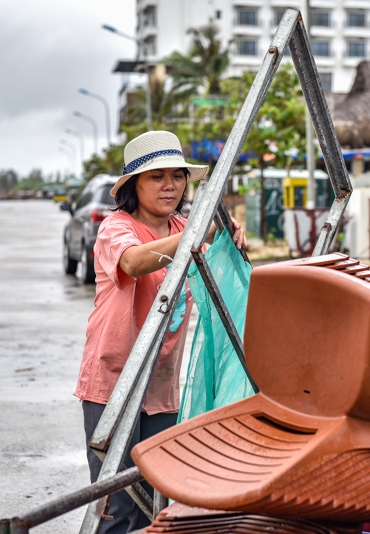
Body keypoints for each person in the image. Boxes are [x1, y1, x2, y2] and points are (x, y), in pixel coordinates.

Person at [74, 130, 246, 533]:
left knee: (154, 503)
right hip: (114, 382)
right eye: (156, 176)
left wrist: (227, 231)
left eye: (178, 175)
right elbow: (133, 263)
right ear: (133, 184)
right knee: (115, 507)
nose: (170, 185)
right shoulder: (117, 228)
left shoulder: (185, 224)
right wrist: (196, 235)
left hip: (162, 388)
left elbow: (212, 248)